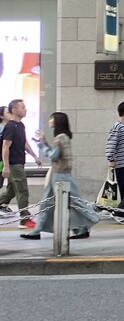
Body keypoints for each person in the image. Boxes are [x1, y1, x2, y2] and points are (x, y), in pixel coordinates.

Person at [21, 112, 100, 241]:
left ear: (57, 121)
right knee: (53, 202)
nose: (50, 121)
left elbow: (54, 156)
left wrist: (42, 146)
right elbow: (56, 153)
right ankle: (39, 230)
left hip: (60, 176)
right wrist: (44, 143)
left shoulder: (60, 137)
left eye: (51, 118)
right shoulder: (63, 137)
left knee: (68, 202)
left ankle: (87, 223)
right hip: (60, 174)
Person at [0, 98, 38, 226]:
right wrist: (6, 166)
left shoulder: (20, 125)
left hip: (19, 162)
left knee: (10, 192)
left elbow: (24, 143)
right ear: (14, 110)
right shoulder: (10, 127)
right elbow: (5, 147)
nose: (25, 110)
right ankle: (25, 219)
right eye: (22, 107)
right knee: (22, 190)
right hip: (14, 164)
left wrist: (35, 156)